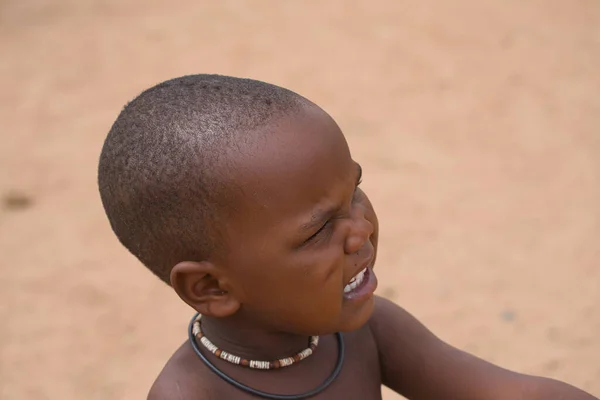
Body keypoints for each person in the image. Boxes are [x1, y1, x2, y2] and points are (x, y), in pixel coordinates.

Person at [98, 74, 597, 399]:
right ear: (213, 287)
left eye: (355, 191)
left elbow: (502, 393)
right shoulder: (191, 396)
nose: (361, 231)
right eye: (318, 230)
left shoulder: (363, 331)